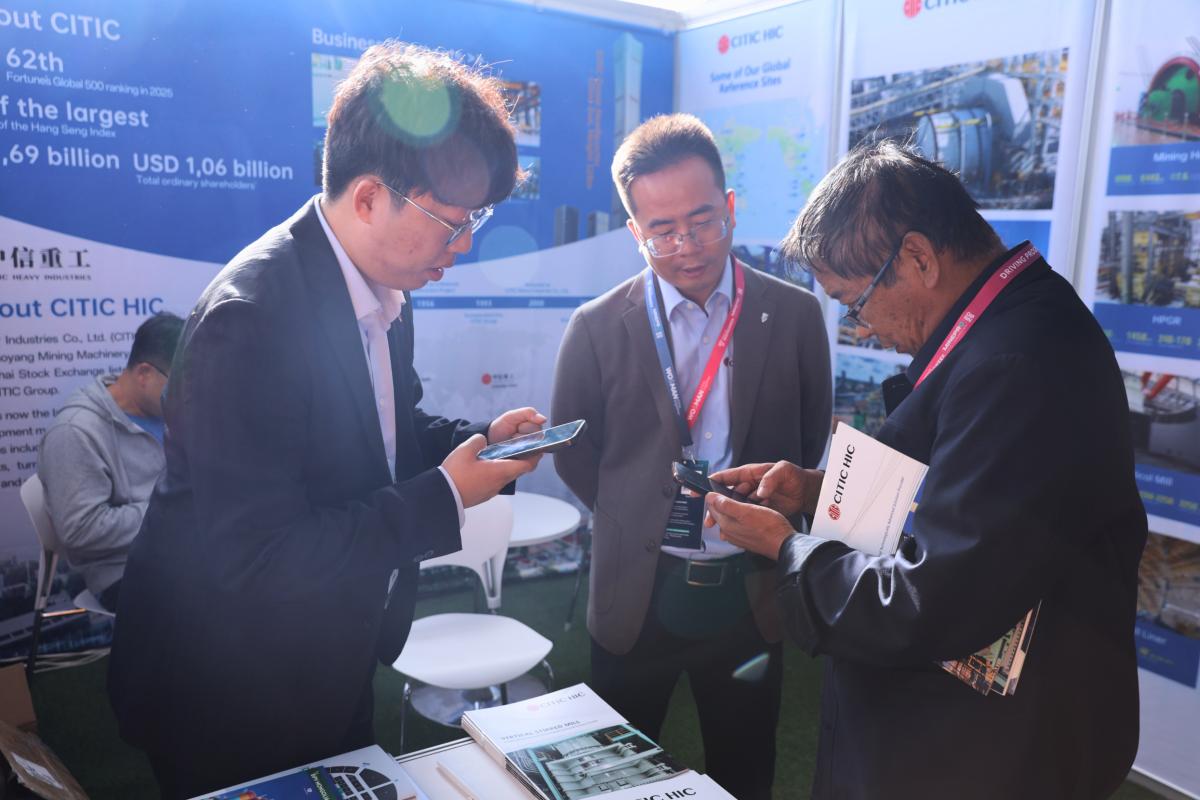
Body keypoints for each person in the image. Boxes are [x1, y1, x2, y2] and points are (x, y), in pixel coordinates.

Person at [108, 42, 544, 798]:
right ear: (370, 197)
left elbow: (385, 431)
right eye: (451, 221)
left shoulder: (385, 286)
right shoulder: (251, 317)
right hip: (227, 680)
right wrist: (445, 496)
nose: (465, 245)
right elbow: (261, 555)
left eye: (477, 218)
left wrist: (479, 444)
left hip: (329, 647)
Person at [706, 140, 1146, 799]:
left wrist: (788, 549)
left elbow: (933, 597)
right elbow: (963, 505)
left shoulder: (1017, 364)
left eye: (854, 302)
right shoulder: (1013, 327)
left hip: (988, 754)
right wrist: (816, 492)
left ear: (917, 258)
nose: (860, 328)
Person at [552, 113, 831, 799]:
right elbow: (575, 454)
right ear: (635, 232)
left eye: (703, 221)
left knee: (745, 770)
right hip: (636, 592)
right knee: (613, 776)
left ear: (729, 207)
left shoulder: (794, 316)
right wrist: (635, 515)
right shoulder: (596, 326)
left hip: (748, 594)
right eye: (663, 230)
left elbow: (807, 438)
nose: (687, 246)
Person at [36, 312, 184, 613]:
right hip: (125, 573)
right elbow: (81, 530)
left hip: (180, 553)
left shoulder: (162, 411)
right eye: (179, 384)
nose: (186, 395)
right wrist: (175, 510)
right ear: (144, 374)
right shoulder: (75, 432)